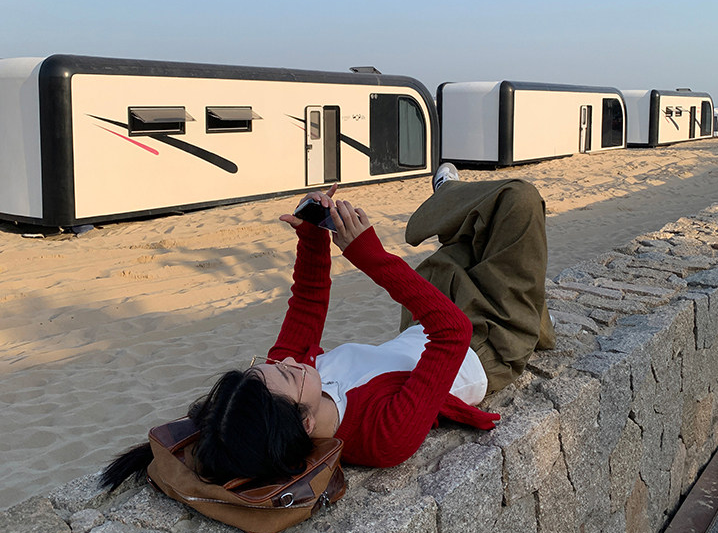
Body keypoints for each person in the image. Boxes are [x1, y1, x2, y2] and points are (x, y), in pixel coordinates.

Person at [100, 165, 554, 493]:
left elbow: (308, 300)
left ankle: (453, 200)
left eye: (263, 367)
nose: (286, 361)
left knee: (462, 253)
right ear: (305, 422)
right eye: (287, 373)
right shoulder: (382, 437)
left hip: (422, 328)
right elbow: (453, 333)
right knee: (518, 202)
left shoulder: (280, 388)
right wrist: (368, 254)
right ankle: (452, 199)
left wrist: (312, 236)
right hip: (484, 346)